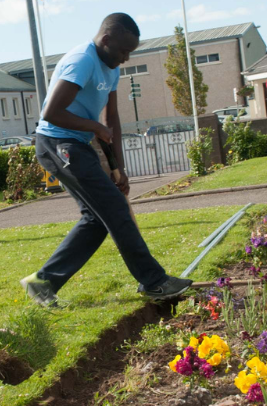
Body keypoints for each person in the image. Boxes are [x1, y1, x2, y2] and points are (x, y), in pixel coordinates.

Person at [20, 13, 192, 307]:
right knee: (113, 208)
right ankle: (154, 281)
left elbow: (112, 121)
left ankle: (43, 282)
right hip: (57, 143)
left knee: (98, 219)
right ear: (106, 40)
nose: (126, 58)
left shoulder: (110, 68)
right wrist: (95, 127)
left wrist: (119, 169)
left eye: (130, 52)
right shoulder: (82, 61)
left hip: (77, 144)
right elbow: (51, 112)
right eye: (123, 51)